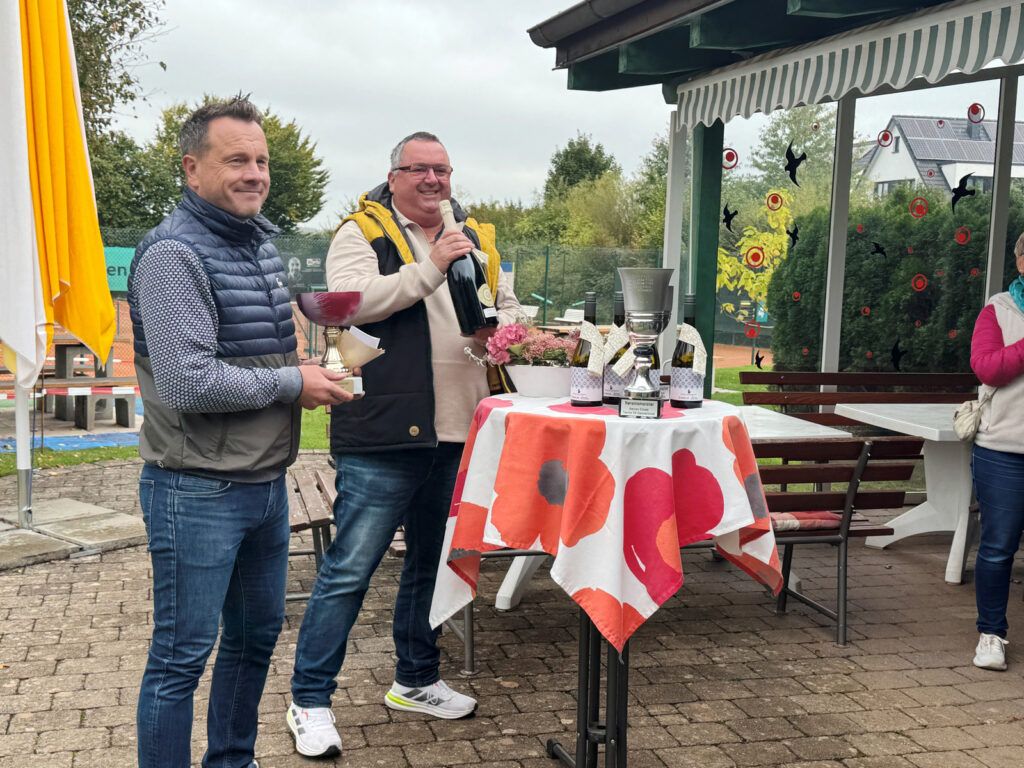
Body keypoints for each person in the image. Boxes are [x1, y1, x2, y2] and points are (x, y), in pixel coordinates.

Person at [128, 95, 354, 768]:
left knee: (255, 639)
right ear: (192, 168)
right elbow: (187, 383)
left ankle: (232, 760)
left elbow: (257, 357)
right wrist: (293, 383)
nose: (255, 173)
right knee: (181, 658)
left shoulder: (257, 246)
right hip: (195, 490)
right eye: (236, 160)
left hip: (263, 483)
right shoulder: (173, 255)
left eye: (261, 161)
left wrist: (308, 372)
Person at [285, 131, 521, 758]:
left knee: (430, 565)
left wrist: (504, 329)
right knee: (349, 570)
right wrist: (432, 265)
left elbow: (503, 309)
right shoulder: (361, 233)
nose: (433, 180)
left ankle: (415, 679)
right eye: (419, 169)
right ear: (393, 178)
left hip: (459, 430)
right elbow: (351, 306)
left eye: (442, 169)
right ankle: (309, 699)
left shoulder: (474, 236)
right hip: (384, 432)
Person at [969, 232, 1024, 671]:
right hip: (1004, 450)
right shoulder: (998, 309)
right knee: (998, 548)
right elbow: (987, 367)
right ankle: (991, 634)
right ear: (1021, 262)